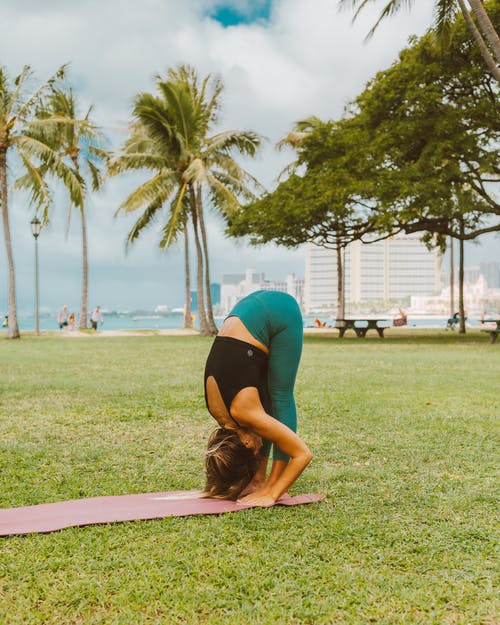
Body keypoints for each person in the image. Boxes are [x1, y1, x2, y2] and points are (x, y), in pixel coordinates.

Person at [203, 290, 312, 507]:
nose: (259, 444)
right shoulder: (220, 413)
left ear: (243, 442)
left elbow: (303, 454)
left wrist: (272, 493)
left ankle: (271, 481)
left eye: (253, 449)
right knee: (265, 406)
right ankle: (259, 479)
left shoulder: (244, 412)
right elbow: (259, 424)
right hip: (246, 311)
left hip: (280, 311)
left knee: (280, 395)